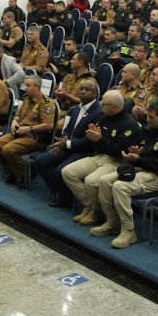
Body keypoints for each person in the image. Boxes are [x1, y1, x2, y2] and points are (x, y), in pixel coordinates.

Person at [91, 97, 158, 249]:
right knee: (104, 181)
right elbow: (135, 152)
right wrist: (131, 157)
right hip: (138, 170)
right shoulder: (145, 130)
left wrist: (139, 159)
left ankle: (129, 231)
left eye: (151, 117)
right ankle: (113, 222)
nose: (148, 119)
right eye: (147, 116)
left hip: (155, 177)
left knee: (120, 187)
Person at [62, 90, 141, 226]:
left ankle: (96, 212)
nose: (100, 106)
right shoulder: (104, 118)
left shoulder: (129, 125)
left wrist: (100, 140)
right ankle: (90, 206)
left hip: (116, 161)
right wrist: (94, 139)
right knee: (68, 172)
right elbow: (95, 140)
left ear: (114, 107)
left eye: (103, 104)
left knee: (91, 181)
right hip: (100, 156)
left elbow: (120, 151)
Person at [33, 80, 102, 206]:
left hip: (84, 151)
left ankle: (65, 197)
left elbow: (89, 140)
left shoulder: (99, 112)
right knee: (40, 162)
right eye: (81, 89)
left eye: (87, 90)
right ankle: (62, 190)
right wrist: (64, 140)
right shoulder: (73, 109)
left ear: (95, 94)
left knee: (61, 170)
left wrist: (67, 144)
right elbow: (66, 129)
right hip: (67, 146)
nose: (83, 92)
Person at [0, 75, 57, 188]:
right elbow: (18, 114)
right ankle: (12, 171)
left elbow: (49, 125)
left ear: (37, 86)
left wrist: (29, 128)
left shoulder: (46, 103)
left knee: (8, 149)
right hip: (19, 132)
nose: (25, 88)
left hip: (34, 137)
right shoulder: (26, 99)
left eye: (28, 85)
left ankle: (25, 174)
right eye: (25, 85)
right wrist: (14, 121)